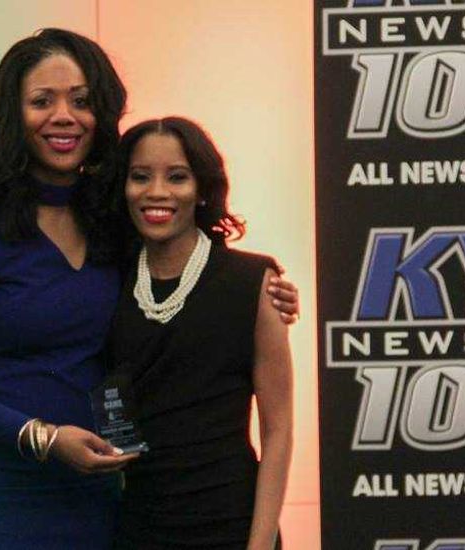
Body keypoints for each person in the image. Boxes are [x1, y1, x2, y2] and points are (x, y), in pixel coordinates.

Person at [0, 29, 299, 550]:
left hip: (91, 494)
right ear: (12, 114)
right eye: (42, 101)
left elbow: (186, 268)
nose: (64, 116)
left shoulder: (110, 219)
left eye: (81, 101)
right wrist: (42, 437)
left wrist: (265, 290)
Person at [110, 117, 294, 550]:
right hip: (137, 528)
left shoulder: (253, 282)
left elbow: (278, 430)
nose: (157, 192)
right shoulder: (107, 281)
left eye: (177, 177)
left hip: (231, 525)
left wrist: (260, 544)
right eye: (140, 176)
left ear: (203, 189)